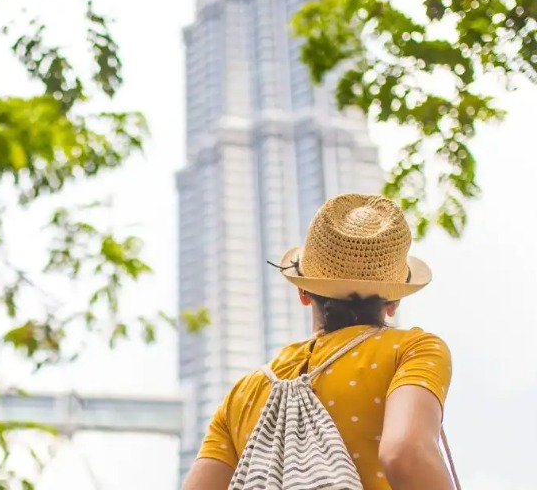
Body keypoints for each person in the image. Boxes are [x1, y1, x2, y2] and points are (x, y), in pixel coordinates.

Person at [182, 194, 457, 490]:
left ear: (303, 292)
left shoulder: (244, 393)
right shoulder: (412, 351)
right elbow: (405, 454)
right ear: (394, 300)